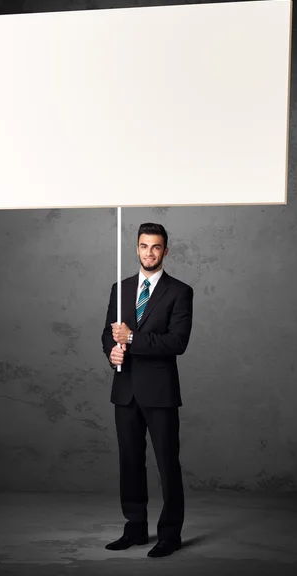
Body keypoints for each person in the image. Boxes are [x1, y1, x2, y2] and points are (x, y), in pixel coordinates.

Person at [101, 222, 194, 558]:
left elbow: (177, 342)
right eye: (144, 246)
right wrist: (112, 353)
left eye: (156, 247)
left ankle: (170, 535)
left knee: (168, 464)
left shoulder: (180, 292)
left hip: (160, 391)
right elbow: (107, 334)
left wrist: (131, 339)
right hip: (125, 390)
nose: (149, 253)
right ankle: (135, 528)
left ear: (165, 251)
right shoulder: (121, 288)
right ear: (136, 248)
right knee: (130, 462)